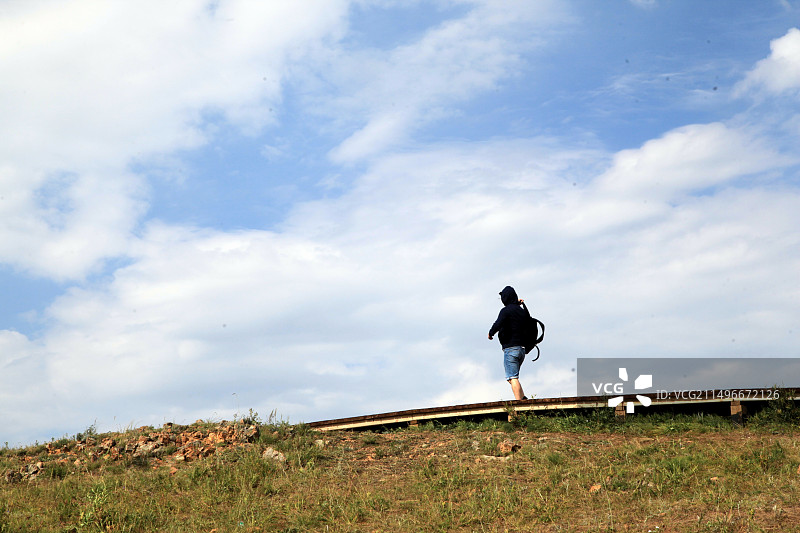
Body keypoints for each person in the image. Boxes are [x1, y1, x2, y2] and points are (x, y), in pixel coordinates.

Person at [488, 286, 529, 400]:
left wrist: (491, 333)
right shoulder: (521, 311)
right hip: (522, 349)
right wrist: (517, 304)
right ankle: (523, 399)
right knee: (513, 377)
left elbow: (498, 323)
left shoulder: (506, 311)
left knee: (512, 377)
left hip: (511, 349)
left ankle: (519, 404)